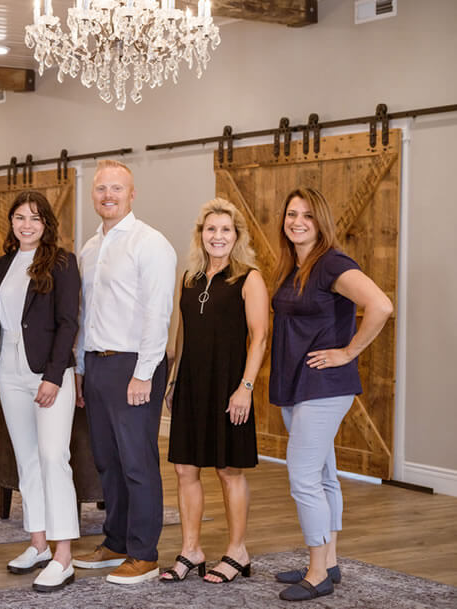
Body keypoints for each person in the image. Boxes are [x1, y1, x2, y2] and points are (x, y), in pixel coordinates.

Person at [269, 187, 392, 601]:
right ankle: (330, 561)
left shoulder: (332, 263)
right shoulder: (293, 265)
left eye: (306, 215)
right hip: (296, 383)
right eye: (291, 214)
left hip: (323, 386)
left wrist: (348, 352)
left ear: (321, 221)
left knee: (303, 477)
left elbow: (381, 305)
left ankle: (317, 572)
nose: (297, 221)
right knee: (322, 475)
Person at [72, 160, 177, 585]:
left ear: (132, 194)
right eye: (101, 189)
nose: (108, 195)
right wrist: (80, 368)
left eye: (117, 188)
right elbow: (84, 316)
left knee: (137, 462)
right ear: (93, 195)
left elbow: (158, 313)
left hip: (135, 365)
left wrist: (145, 372)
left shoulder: (150, 243)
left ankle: (144, 553)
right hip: (97, 364)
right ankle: (114, 541)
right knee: (107, 460)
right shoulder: (90, 248)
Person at [160, 198, 269, 584]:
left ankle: (237, 552)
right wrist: (174, 380)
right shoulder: (190, 278)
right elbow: (183, 332)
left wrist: (245, 388)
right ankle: (191, 551)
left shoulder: (248, 278)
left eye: (225, 230)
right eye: (211, 229)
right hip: (191, 383)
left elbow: (259, 339)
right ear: (200, 235)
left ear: (236, 236)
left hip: (230, 386)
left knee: (228, 470)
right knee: (184, 468)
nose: (217, 236)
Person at [0, 191, 80, 593]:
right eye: (20, 218)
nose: (27, 225)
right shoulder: (2, 264)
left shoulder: (62, 263)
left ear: (47, 224)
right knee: (26, 459)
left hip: (47, 372)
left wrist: (54, 376)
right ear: (11, 222)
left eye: (35, 219)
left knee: (52, 456)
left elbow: (67, 322)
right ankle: (38, 544)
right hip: (8, 371)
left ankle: (64, 556)